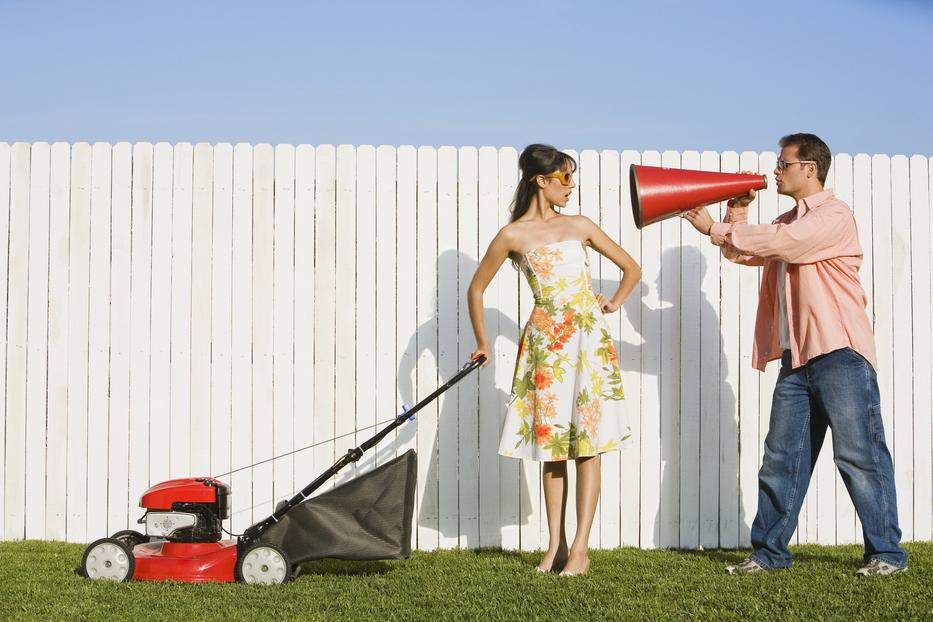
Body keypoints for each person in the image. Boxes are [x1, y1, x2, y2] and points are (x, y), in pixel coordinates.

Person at [682, 133, 908, 576]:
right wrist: (737, 210)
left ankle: (887, 555)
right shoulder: (787, 221)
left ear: (811, 168)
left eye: (784, 163)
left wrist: (716, 227)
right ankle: (768, 555)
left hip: (840, 352)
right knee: (782, 458)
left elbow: (783, 244)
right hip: (798, 359)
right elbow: (744, 251)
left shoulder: (833, 215)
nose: (776, 170)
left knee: (860, 455)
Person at [467, 144, 641, 576]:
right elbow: (476, 290)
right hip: (545, 342)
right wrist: (484, 342)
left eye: (571, 177)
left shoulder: (580, 225)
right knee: (551, 448)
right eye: (565, 178)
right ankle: (555, 546)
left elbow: (631, 267)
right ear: (540, 181)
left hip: (587, 340)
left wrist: (613, 303)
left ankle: (580, 548)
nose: (571, 186)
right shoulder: (512, 236)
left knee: (589, 445)